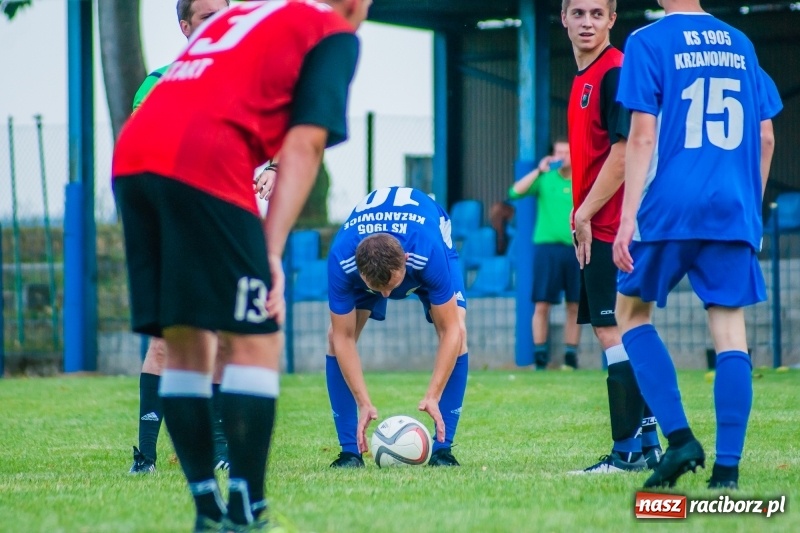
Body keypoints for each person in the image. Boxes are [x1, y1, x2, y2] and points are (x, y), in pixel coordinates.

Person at [112, 0, 369, 530]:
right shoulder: (331, 31)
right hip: (202, 161)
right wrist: (269, 252)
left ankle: (207, 510)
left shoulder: (243, 18)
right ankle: (248, 508)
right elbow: (305, 146)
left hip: (134, 159)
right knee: (255, 339)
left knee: (184, 341)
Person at [613, 0, 782, 489]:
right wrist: (750, 206)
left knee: (631, 313)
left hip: (670, 205)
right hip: (732, 205)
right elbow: (766, 137)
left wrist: (626, 220)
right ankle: (727, 471)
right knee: (731, 330)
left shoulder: (647, 41)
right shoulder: (740, 43)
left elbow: (642, 137)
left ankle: (681, 439)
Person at [128, 0, 236, 477]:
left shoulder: (241, 78)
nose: (219, 22)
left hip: (219, 225)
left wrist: (270, 169)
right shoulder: (157, 84)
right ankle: (145, 458)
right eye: (208, 15)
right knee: (163, 344)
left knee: (219, 341)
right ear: (184, 25)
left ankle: (218, 448)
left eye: (225, 12)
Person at [562, 0, 661, 474]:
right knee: (623, 331)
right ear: (563, 18)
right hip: (597, 224)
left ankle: (626, 453)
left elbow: (623, 156)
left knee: (614, 331)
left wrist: (584, 213)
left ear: (611, 21)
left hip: (612, 226)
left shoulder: (615, 73)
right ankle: (648, 445)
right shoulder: (584, 77)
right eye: (578, 13)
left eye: (596, 14)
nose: (587, 22)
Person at [326, 186, 468, 468]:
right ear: (359, 271)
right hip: (371, 256)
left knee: (459, 333)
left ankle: (443, 450)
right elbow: (342, 338)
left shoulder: (426, 250)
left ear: (404, 260)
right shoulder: (341, 259)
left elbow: (450, 331)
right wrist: (363, 401)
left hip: (430, 233)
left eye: (391, 286)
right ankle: (349, 453)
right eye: (378, 289)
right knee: (333, 338)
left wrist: (433, 395)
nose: (387, 297)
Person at [508, 139, 581, 370]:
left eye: (566, 152)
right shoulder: (544, 179)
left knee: (575, 305)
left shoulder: (581, 179)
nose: (562, 156)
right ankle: (540, 357)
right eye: (558, 152)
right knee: (542, 305)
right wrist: (539, 170)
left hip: (575, 248)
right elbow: (514, 192)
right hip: (547, 250)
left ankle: (570, 357)